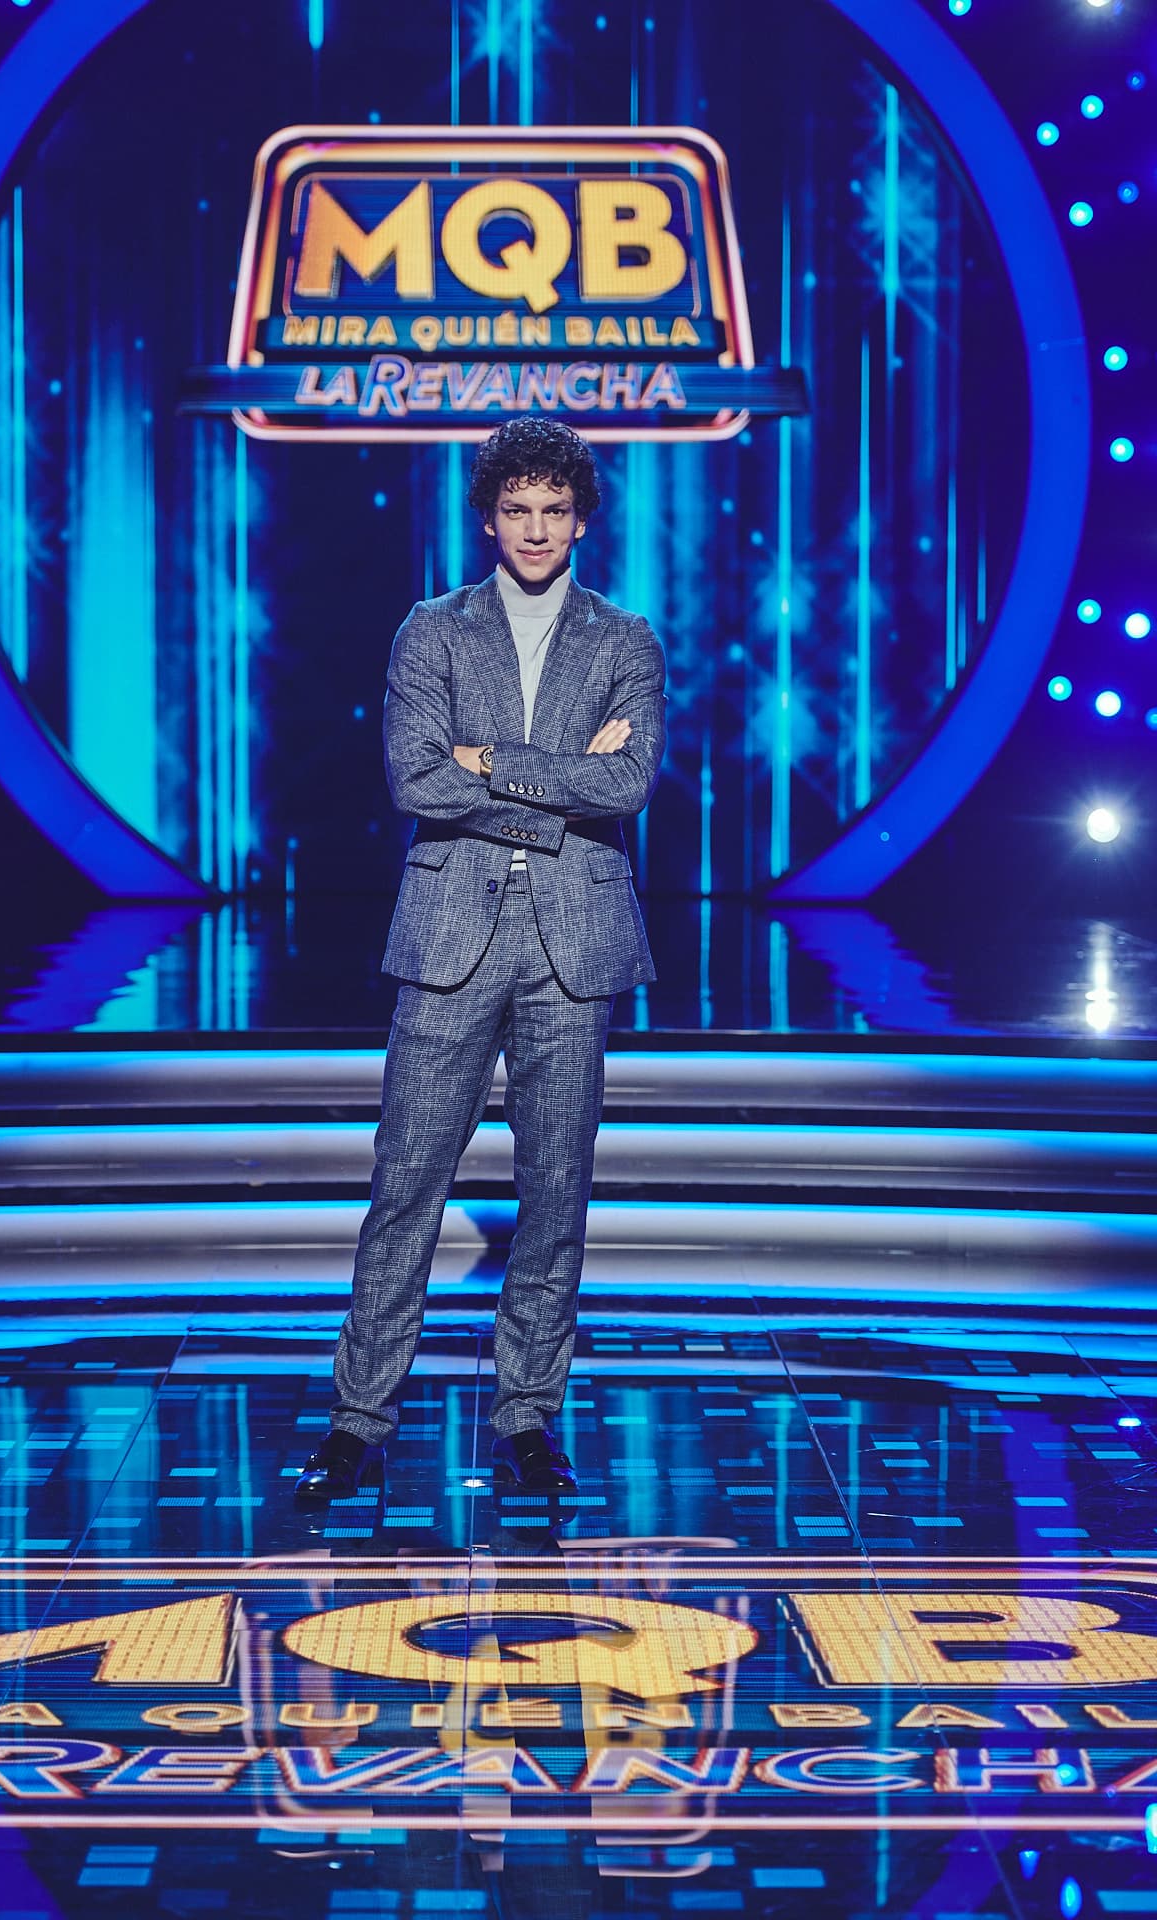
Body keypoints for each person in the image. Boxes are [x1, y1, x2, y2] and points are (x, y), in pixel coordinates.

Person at [296, 417, 667, 1501]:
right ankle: (358, 1423)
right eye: (518, 509)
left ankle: (527, 1421)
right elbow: (416, 783)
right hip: (449, 936)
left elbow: (627, 786)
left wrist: (489, 763)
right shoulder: (430, 632)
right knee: (403, 1185)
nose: (536, 528)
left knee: (555, 1196)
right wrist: (555, 785)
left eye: (555, 511)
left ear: (581, 521)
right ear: (489, 516)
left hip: (574, 946)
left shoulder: (623, 640)